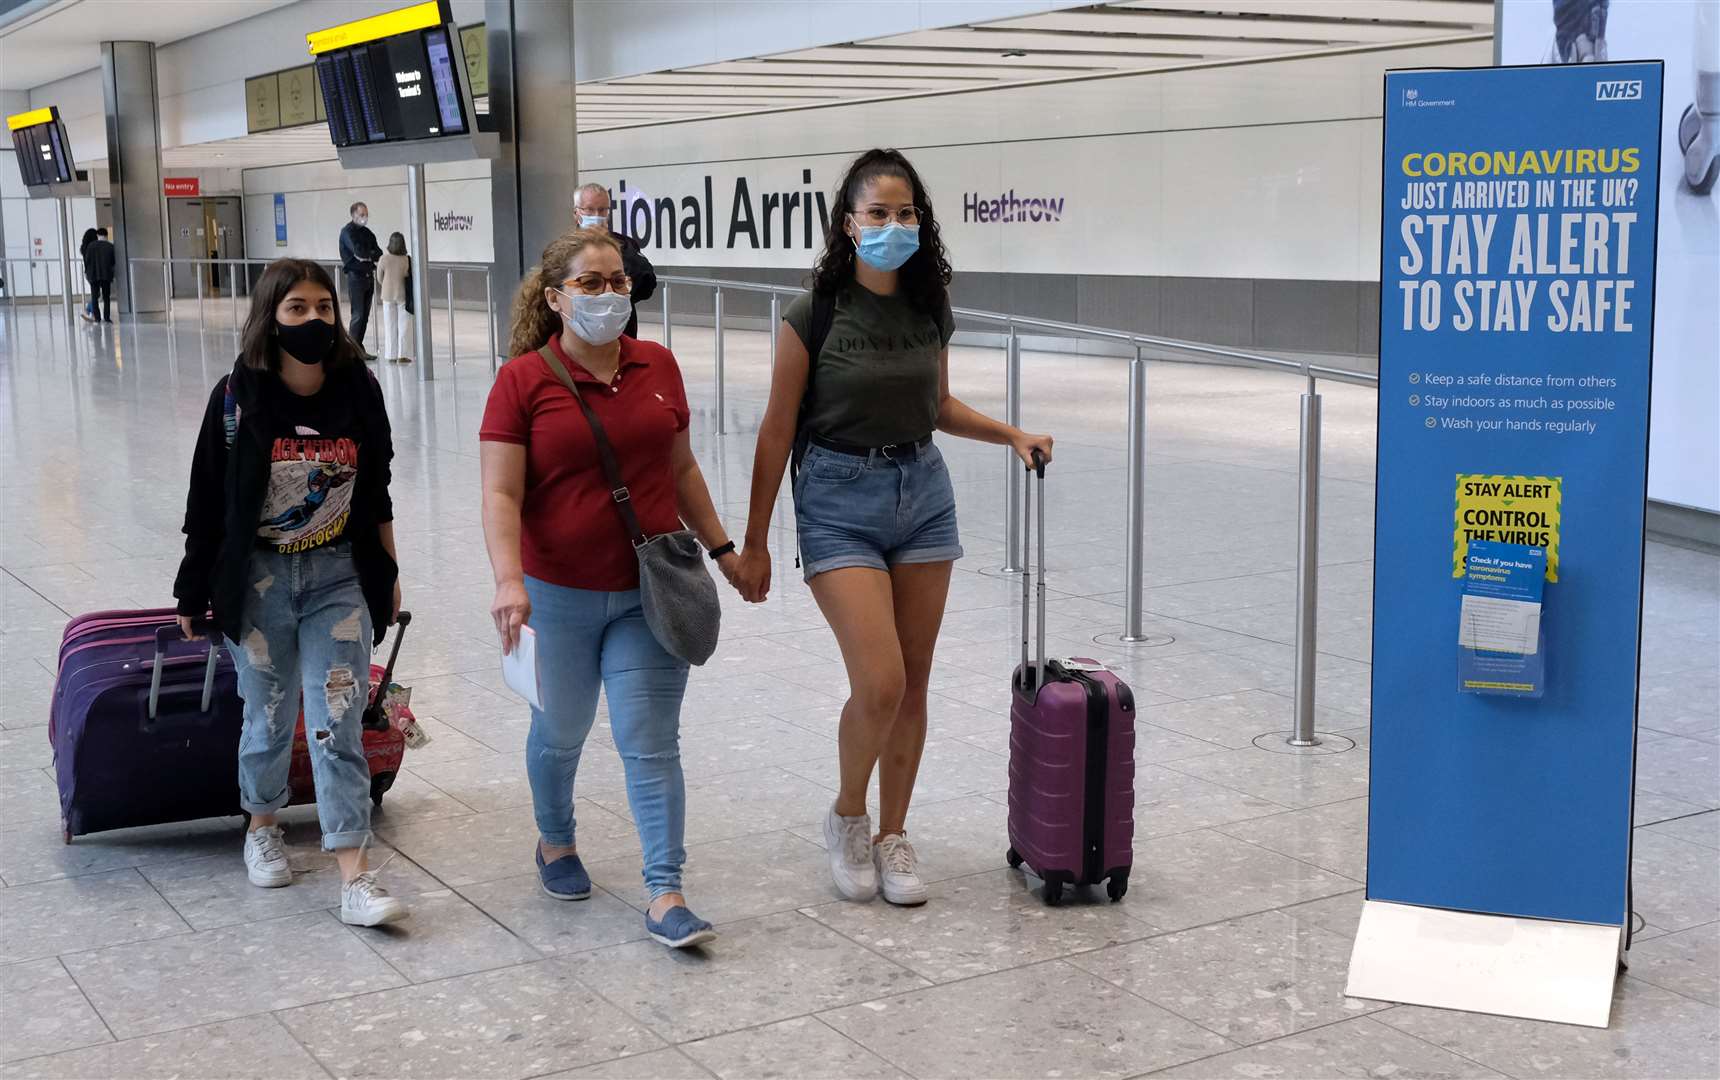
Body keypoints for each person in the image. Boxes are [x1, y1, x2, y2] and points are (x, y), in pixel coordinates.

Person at [732, 149, 1054, 907]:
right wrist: (753, 543)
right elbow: (777, 432)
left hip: (923, 492)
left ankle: (893, 834)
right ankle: (848, 814)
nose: (893, 225)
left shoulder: (928, 303)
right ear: (847, 224)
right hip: (838, 496)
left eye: (906, 212)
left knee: (914, 683)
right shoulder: (814, 313)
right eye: (877, 213)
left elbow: (937, 406)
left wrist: (1012, 433)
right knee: (879, 681)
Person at [479, 227, 741, 949]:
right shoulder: (523, 381)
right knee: (560, 731)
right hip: (555, 590)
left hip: (650, 588)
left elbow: (682, 471)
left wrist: (724, 549)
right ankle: (556, 841)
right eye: (590, 284)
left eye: (618, 281)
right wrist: (508, 581)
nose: (607, 294)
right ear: (556, 297)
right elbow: (500, 494)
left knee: (650, 743)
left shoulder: (658, 365)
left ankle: (665, 892)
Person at [171, 258, 408, 928]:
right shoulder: (237, 397)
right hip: (260, 582)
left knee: (337, 721)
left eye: (324, 308)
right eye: (297, 308)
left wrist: (387, 576)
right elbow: (207, 504)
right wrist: (193, 592)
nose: (313, 320)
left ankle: (353, 872)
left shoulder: (357, 390)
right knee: (268, 720)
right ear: (270, 317)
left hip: (338, 575)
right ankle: (262, 823)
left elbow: (378, 488)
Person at [574, 183, 657, 340]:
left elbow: (647, 280)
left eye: (602, 209)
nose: (596, 215)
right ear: (577, 213)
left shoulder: (625, 244)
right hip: (580, 334)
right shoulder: (565, 248)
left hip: (623, 333)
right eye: (590, 209)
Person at [339, 202, 382, 358]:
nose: (364, 217)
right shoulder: (347, 232)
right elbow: (358, 252)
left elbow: (378, 252)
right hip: (355, 278)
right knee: (357, 314)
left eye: (366, 214)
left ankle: (359, 348)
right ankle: (352, 350)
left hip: (368, 277)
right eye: (361, 214)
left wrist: (368, 255)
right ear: (353, 215)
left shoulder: (367, 233)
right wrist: (367, 254)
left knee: (364, 315)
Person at [375, 232, 413, 363]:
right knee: (404, 325)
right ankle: (402, 354)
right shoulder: (407, 259)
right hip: (402, 295)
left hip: (387, 295)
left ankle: (391, 355)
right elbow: (408, 275)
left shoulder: (384, 259)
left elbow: (379, 277)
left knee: (389, 325)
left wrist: (386, 284)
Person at [84, 228, 116, 324]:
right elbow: (113, 262)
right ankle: (107, 318)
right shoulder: (110, 246)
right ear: (106, 235)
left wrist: (86, 272)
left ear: (98, 235)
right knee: (106, 297)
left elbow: (87, 260)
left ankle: (97, 318)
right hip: (106, 275)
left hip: (93, 275)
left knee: (94, 297)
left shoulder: (90, 246)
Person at [78, 227, 98, 321]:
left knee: (96, 293)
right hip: (95, 273)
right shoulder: (93, 248)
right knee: (97, 294)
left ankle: (89, 311)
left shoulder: (84, 248)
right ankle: (89, 311)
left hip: (88, 273)